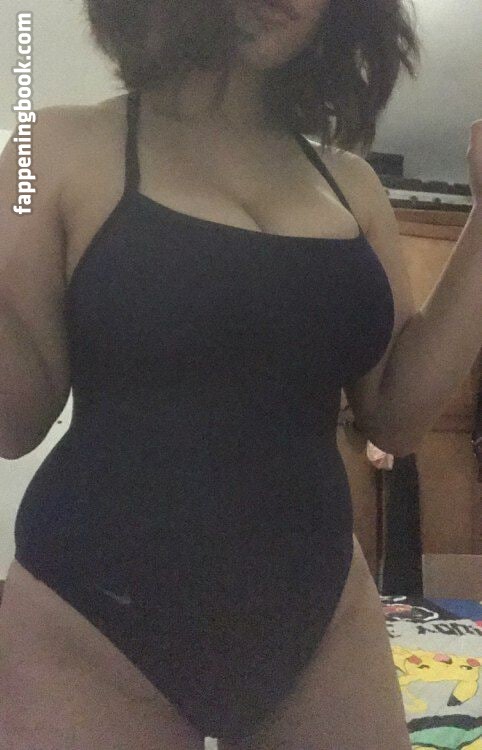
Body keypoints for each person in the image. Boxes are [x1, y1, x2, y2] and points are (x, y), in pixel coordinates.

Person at [2, 1, 480, 748]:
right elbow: (14, 423)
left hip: (320, 609)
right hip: (93, 618)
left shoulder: (352, 184)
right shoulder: (53, 148)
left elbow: (394, 416)